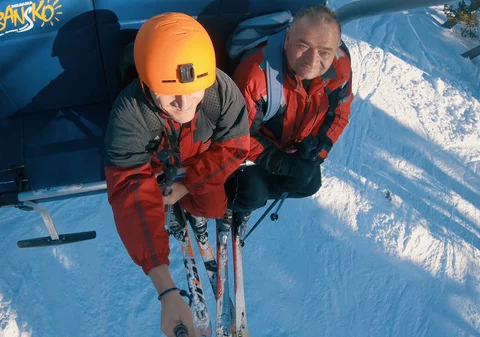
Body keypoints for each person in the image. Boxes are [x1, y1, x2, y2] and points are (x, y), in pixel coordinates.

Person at [104, 12, 250, 337]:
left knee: (212, 208)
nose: (184, 104)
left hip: (195, 162)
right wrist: (167, 289)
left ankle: (191, 209)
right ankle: (180, 208)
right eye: (169, 93)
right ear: (145, 84)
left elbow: (236, 147)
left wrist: (188, 186)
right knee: (153, 206)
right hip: (155, 167)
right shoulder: (129, 113)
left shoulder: (218, 89)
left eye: (195, 89)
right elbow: (131, 194)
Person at [226, 4, 353, 223]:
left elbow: (340, 111)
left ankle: (250, 197)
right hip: (252, 149)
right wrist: (281, 164)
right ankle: (230, 203)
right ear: (287, 39)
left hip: (288, 144)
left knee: (309, 183)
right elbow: (238, 135)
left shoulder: (340, 68)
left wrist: (317, 152)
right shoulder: (256, 76)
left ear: (335, 49)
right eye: (304, 46)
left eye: (325, 52)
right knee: (253, 193)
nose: (313, 61)